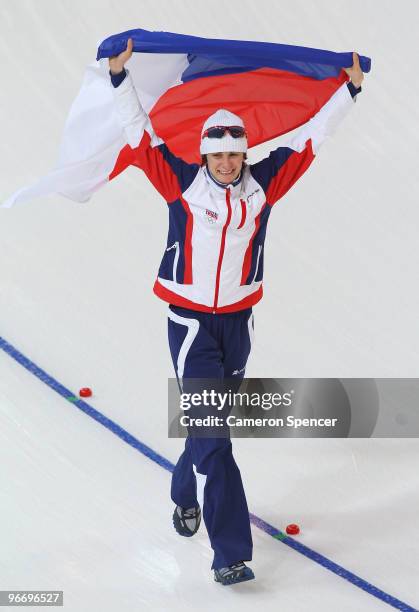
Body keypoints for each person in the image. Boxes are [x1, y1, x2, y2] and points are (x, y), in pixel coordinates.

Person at [108, 38, 364, 586]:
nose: (226, 163)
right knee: (217, 436)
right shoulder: (181, 183)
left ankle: (183, 492)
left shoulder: (264, 188)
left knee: (208, 427)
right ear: (204, 154)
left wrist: (350, 90)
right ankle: (230, 551)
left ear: (245, 153)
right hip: (191, 325)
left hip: (238, 328)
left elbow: (312, 140)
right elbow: (140, 135)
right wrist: (116, 77)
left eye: (234, 153)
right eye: (217, 154)